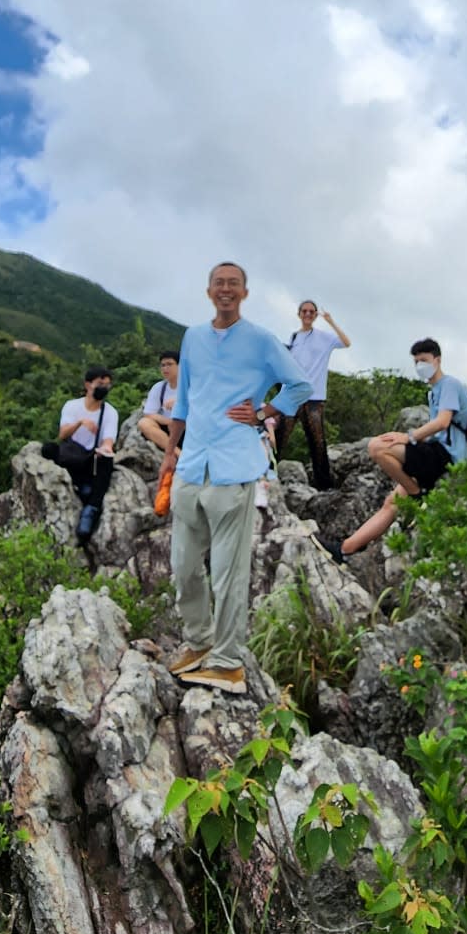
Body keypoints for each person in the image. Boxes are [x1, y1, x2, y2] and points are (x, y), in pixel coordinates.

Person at [158, 261, 312, 696]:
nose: (225, 290)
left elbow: (299, 385)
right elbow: (183, 399)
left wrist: (264, 412)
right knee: (184, 566)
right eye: (219, 283)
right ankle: (200, 641)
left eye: (234, 284)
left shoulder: (261, 340)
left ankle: (227, 663)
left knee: (228, 573)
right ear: (209, 291)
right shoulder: (193, 337)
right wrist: (170, 454)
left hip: (234, 468)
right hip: (192, 467)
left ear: (244, 292)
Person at [322, 338, 467, 562]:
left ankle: (415, 492)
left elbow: (442, 422)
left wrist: (408, 437)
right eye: (417, 361)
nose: (421, 365)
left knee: (377, 447)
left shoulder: (448, 385)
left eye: (425, 360)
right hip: (434, 452)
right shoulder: (433, 392)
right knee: (391, 503)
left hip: (446, 457)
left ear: (437, 360)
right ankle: (344, 550)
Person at [282, 301, 351, 491]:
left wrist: (331, 321)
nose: (308, 314)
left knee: (317, 442)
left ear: (315, 315)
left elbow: (346, 343)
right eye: (304, 311)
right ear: (299, 314)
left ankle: (324, 487)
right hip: (292, 395)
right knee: (279, 436)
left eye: (311, 312)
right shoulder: (294, 338)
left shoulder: (324, 337)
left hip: (314, 397)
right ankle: (267, 476)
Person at [44, 366, 118, 543]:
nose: (103, 388)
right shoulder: (72, 406)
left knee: (107, 462)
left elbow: (109, 439)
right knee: (48, 449)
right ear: (88, 384)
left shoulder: (109, 412)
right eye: (100, 384)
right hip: (71, 454)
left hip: (90, 458)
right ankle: (80, 486)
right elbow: (63, 435)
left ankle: (91, 508)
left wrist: (105, 449)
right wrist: (80, 423)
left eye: (107, 385)